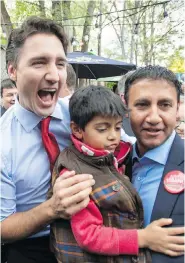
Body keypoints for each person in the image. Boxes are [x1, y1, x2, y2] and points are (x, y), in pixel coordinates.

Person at [50, 85, 184, 263]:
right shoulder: (75, 174)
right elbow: (89, 235)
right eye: (102, 129)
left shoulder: (112, 156)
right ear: (77, 130)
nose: (113, 136)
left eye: (118, 127)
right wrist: (143, 238)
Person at [0, 16, 94, 263]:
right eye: (39, 63)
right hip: (31, 250)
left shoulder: (80, 115)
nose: (54, 76)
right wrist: (52, 209)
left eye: (60, 64)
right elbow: (2, 228)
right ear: (13, 71)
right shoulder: (3, 142)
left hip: (93, 240)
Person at [124, 65, 185, 263]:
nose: (153, 118)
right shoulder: (112, 162)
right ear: (126, 108)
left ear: (178, 108)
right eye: (142, 105)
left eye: (164, 105)